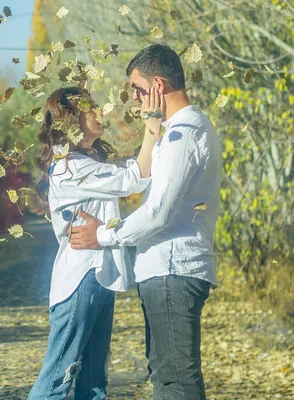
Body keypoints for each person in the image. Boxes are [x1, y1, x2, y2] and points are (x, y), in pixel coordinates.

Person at [70, 44, 222, 400]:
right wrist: (152, 131)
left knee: (176, 381)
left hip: (173, 268)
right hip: (167, 271)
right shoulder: (178, 130)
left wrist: (103, 236)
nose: (135, 100)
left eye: (137, 90)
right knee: (164, 373)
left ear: (157, 85)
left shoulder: (183, 133)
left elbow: (159, 212)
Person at [27, 86, 162, 400]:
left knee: (94, 381)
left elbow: (129, 173)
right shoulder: (69, 168)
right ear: (74, 121)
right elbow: (134, 179)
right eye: (92, 110)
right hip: (80, 280)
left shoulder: (84, 162)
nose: (100, 114)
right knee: (56, 380)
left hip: (97, 277)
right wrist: (152, 131)